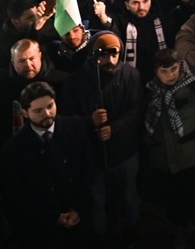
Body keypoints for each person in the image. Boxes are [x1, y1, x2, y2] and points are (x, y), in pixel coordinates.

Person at [59, 31, 142, 243]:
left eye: (114, 54)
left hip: (125, 151)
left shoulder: (131, 75)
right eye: (104, 55)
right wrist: (90, 121)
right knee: (97, 200)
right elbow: (67, 119)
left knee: (129, 196)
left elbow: (135, 110)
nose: (110, 60)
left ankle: (131, 230)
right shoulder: (76, 82)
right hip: (93, 155)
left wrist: (114, 128)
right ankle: (101, 236)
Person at [0, 80, 94, 243]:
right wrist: (53, 217)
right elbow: (17, 193)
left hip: (80, 218)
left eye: (50, 106)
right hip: (43, 228)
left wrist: (78, 208)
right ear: (25, 113)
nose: (47, 113)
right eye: (38, 110)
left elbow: (88, 167)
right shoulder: (14, 149)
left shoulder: (74, 126)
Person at [143, 48, 195, 246]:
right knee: (173, 201)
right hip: (163, 160)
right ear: (155, 72)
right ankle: (181, 228)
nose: (170, 75)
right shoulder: (150, 91)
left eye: (174, 69)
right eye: (164, 71)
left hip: (191, 156)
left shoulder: (192, 85)